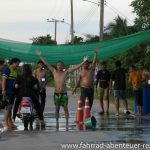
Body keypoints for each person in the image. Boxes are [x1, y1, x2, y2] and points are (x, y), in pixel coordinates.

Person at [35, 50, 88, 130]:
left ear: (63, 66)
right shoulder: (54, 71)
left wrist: (83, 62)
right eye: (58, 65)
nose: (59, 66)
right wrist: (40, 56)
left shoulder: (66, 72)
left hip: (64, 94)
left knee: (65, 108)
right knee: (57, 109)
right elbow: (46, 63)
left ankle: (66, 124)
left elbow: (75, 68)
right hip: (56, 94)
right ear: (56, 66)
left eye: (61, 65)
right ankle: (57, 123)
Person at [2, 58, 21, 130]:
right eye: (17, 63)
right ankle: (5, 122)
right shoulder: (7, 69)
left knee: (10, 107)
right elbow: (4, 80)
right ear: (13, 63)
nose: (18, 65)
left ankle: (10, 122)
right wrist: (3, 90)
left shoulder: (15, 71)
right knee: (8, 107)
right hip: (8, 91)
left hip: (13, 92)